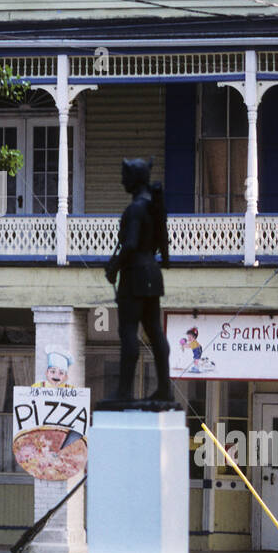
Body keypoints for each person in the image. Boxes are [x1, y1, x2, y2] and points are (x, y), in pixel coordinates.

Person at [99, 158, 179, 411]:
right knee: (155, 331)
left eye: (125, 175)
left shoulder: (136, 209)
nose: (122, 180)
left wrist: (114, 267)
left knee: (128, 332)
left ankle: (124, 390)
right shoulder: (152, 207)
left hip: (134, 275)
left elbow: (131, 244)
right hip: (152, 274)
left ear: (135, 177)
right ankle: (164, 388)